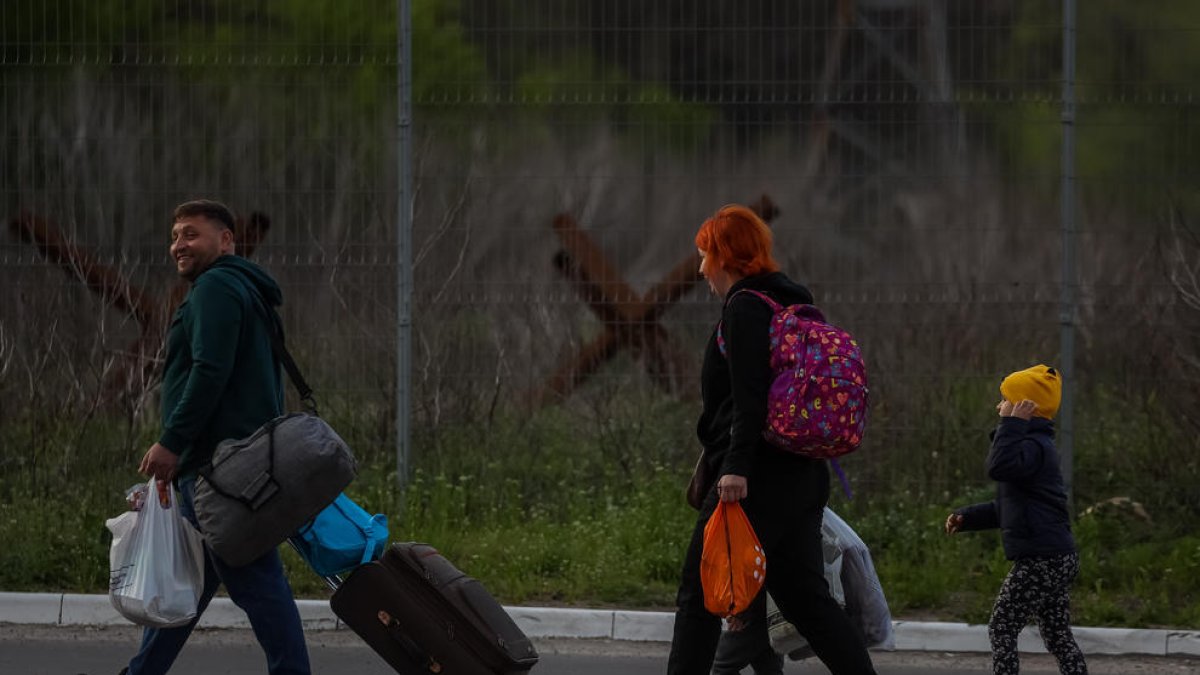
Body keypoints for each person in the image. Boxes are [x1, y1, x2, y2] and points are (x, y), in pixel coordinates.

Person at [667, 204, 876, 675]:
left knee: (699, 594)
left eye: (704, 255)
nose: (700, 267)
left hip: (756, 479)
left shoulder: (744, 308)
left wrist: (735, 468)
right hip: (803, 477)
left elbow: (750, 398)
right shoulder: (793, 302)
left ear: (723, 256)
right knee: (807, 601)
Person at [121, 200, 310, 675]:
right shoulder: (244, 289)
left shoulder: (216, 288)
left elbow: (210, 371)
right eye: (175, 235)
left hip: (218, 469)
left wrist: (171, 441)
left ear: (226, 240)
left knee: (258, 585)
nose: (178, 245)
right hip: (233, 463)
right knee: (191, 580)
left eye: (191, 234)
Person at [946, 365, 1087, 675]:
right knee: (1058, 635)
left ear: (1025, 408)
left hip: (1042, 559)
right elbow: (1011, 507)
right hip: (1055, 556)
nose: (999, 407)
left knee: (1002, 627)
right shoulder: (1033, 447)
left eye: (1005, 400)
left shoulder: (1032, 447)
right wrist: (967, 517)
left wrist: (1011, 425)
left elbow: (998, 467)